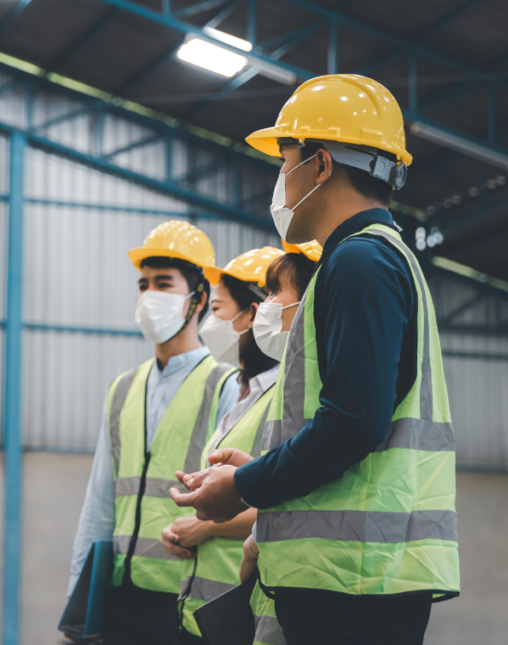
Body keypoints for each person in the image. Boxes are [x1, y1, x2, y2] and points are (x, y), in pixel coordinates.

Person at [171, 74, 459, 645]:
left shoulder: (360, 262)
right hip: (352, 582)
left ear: (321, 166)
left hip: (353, 586)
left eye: (286, 161)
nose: (280, 179)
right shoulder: (366, 260)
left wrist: (244, 486)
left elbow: (352, 423)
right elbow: (360, 428)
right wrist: (259, 471)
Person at [66, 220, 240, 645]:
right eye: (143, 285)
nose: (148, 296)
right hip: (120, 594)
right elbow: (99, 502)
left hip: (186, 596)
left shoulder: (226, 384)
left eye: (163, 283)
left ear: (198, 298)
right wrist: (78, 598)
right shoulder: (122, 388)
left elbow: (239, 496)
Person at [164, 243, 319, 645]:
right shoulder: (238, 393)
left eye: (216, 310)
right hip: (203, 607)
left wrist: (204, 527)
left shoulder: (287, 398)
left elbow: (290, 497)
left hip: (245, 604)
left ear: (251, 316)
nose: (208, 323)